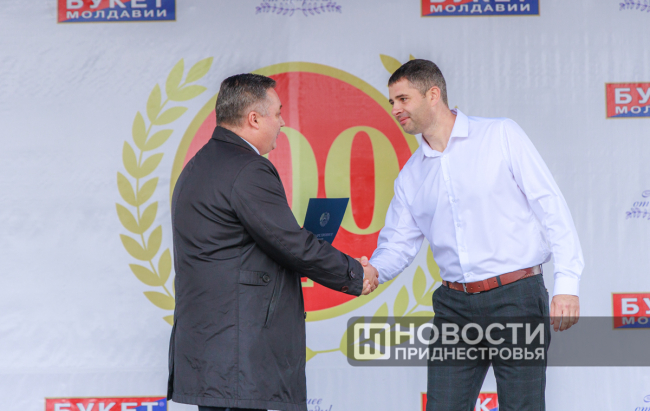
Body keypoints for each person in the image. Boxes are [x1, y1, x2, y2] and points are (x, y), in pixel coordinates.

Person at [364, 59, 584, 411]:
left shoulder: (500, 135)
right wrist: (372, 271)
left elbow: (550, 205)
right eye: (392, 102)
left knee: (522, 407)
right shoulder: (410, 176)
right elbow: (398, 245)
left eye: (403, 99)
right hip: (454, 307)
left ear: (432, 94)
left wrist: (567, 283)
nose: (395, 109)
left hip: (516, 297)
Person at [167, 73, 379, 411]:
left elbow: (248, 246)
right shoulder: (248, 169)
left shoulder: (197, 165)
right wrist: (355, 274)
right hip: (238, 358)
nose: (282, 122)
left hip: (215, 354)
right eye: (278, 113)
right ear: (254, 118)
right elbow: (292, 244)